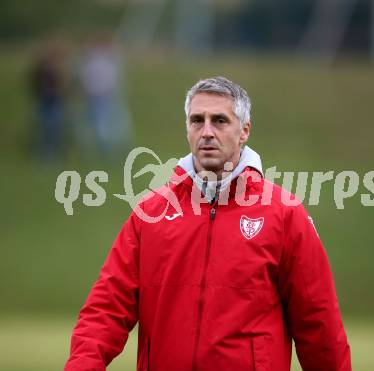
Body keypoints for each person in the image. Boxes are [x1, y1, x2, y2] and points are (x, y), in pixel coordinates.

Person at [65, 76, 351, 370]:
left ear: (244, 131)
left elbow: (318, 324)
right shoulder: (150, 214)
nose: (206, 132)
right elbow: (106, 310)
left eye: (220, 121)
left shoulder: (284, 214)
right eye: (197, 120)